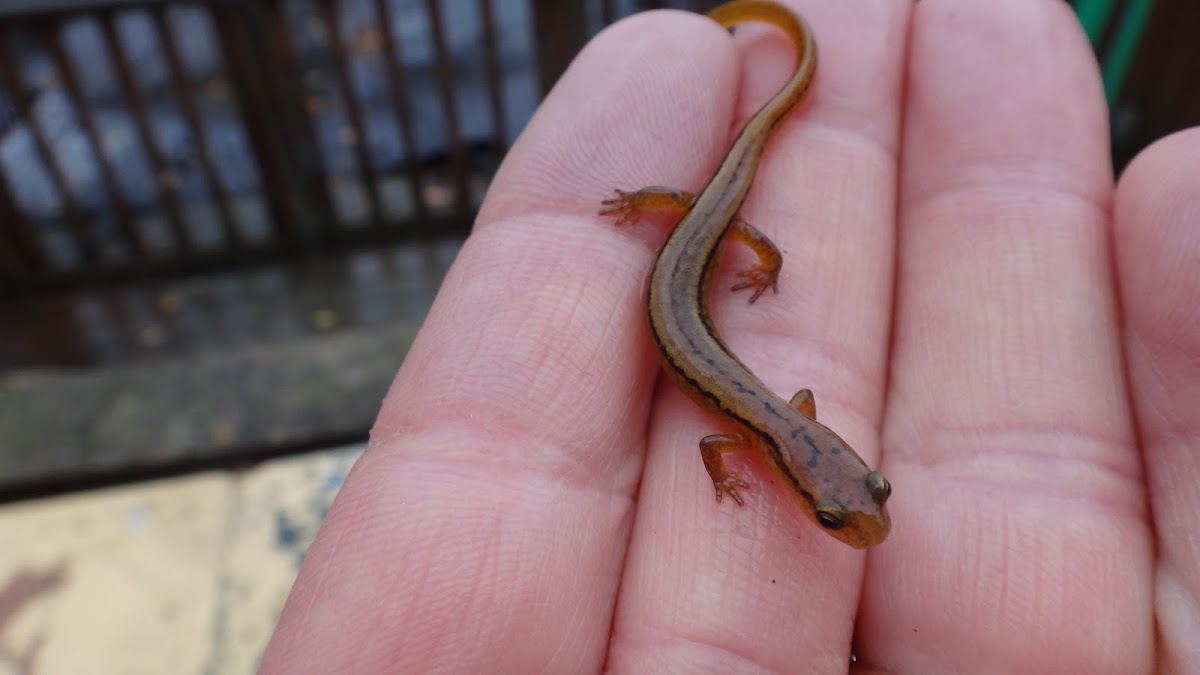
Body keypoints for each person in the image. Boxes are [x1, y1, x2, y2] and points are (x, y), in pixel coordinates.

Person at [259, 1, 1199, 672]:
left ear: (825, 453)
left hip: (701, 272)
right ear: (808, 459)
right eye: (846, 506)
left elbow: (756, 424)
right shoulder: (762, 434)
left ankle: (772, 89)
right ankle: (741, 116)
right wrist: (658, 215)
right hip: (690, 252)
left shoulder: (777, 431)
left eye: (856, 496)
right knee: (702, 202)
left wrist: (751, 435)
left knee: (726, 193)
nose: (862, 512)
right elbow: (729, 432)